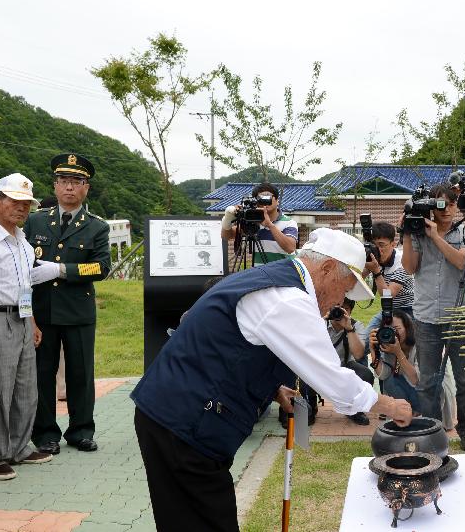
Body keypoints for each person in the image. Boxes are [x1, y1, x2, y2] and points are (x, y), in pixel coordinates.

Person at [131, 228, 412, 531]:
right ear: (328, 268)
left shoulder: (271, 278)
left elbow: (231, 342)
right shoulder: (287, 298)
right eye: (342, 289)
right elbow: (332, 379)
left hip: (174, 415)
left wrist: (275, 388)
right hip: (183, 425)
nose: (339, 302)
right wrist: (390, 405)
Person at [23, 153, 111, 455]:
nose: (69, 188)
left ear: (86, 188)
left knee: (80, 373)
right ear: (55, 185)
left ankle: (81, 430)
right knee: (42, 373)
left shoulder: (96, 227)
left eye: (76, 182)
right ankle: (45, 433)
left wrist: (61, 270)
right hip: (43, 309)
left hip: (78, 311)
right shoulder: (34, 221)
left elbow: (101, 268)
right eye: (64, 181)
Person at [0, 173, 55, 481]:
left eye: (27, 204)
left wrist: (31, 321)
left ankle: (19, 448)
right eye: (15, 202)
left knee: (25, 389)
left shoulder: (23, 241)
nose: (22, 209)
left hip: (21, 319)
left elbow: (24, 285)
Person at [401, 183, 465, 447]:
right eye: (440, 203)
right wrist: (407, 232)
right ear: (430, 205)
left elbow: (463, 263)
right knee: (428, 382)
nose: (446, 209)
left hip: (458, 317)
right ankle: (431, 437)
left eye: (451, 204)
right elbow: (408, 268)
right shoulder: (418, 233)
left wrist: (436, 237)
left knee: (464, 380)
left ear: (456, 205)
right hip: (426, 317)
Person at [220, 182, 298, 265]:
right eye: (261, 198)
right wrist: (228, 218)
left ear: (277, 201)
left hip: (282, 274)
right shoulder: (252, 221)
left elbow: (290, 248)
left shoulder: (289, 222)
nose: (265, 201)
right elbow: (226, 236)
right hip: (260, 275)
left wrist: (270, 225)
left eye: (268, 197)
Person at [363, 221, 414, 344]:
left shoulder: (402, 262)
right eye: (374, 245)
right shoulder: (374, 257)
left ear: (393, 244)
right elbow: (354, 281)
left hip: (408, 310)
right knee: (364, 342)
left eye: (381, 245)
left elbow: (388, 295)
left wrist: (375, 270)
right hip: (388, 310)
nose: (377, 249)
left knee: (401, 344)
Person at [326, 298, 372, 425]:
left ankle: (355, 410)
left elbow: (358, 354)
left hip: (344, 366)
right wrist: (321, 321)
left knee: (365, 374)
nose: (340, 312)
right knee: (305, 374)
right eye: (337, 307)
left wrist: (349, 329)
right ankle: (310, 404)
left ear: (350, 311)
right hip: (321, 367)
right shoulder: (320, 323)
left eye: (344, 309)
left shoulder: (356, 326)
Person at [369, 310, 420, 414]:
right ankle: (404, 413)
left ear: (408, 328)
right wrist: (373, 349)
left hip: (422, 395)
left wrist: (398, 352)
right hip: (404, 396)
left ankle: (416, 412)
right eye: (388, 330)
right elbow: (383, 375)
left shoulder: (419, 346)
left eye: (396, 329)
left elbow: (416, 380)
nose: (393, 333)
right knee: (389, 379)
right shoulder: (388, 346)